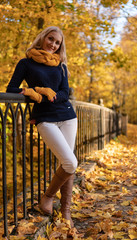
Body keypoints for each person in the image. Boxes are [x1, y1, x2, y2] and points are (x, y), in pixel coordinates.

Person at [6, 26, 78, 228]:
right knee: (71, 162)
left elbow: (65, 92)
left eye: (57, 43)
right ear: (43, 38)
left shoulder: (61, 66)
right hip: (45, 119)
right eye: (51, 39)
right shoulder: (26, 63)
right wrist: (33, 91)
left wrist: (51, 94)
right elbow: (10, 88)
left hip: (68, 116)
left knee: (67, 163)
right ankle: (47, 197)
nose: (53, 45)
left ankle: (65, 212)